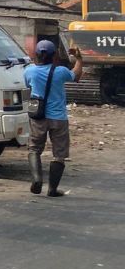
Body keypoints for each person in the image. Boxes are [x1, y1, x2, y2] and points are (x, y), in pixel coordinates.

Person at [24, 39, 83, 196]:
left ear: (36, 55)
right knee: (59, 154)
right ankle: (52, 189)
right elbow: (76, 76)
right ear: (54, 56)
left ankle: (37, 180)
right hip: (58, 118)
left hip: (38, 116)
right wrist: (79, 59)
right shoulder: (61, 71)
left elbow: (28, 88)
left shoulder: (29, 71)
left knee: (34, 148)